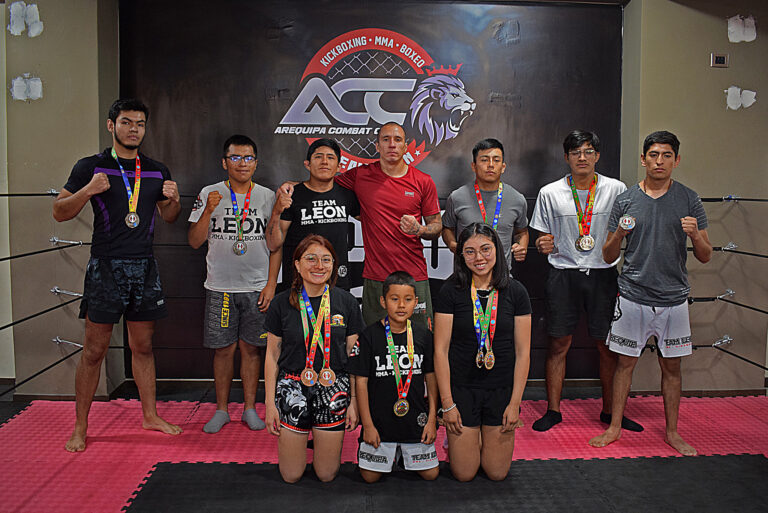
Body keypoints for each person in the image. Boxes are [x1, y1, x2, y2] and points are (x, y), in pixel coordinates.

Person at [53, 98, 183, 452]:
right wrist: (87, 190)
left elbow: (169, 217)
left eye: (139, 123)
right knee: (94, 350)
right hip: (106, 266)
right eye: (126, 122)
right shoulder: (91, 167)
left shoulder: (156, 170)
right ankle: (80, 427)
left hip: (144, 265)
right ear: (112, 126)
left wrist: (172, 201)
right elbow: (59, 212)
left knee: (143, 345)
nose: (133, 129)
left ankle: (150, 415)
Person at [589, 131, 712, 456]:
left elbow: (705, 254)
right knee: (624, 365)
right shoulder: (627, 199)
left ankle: (672, 432)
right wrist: (618, 233)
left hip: (673, 298)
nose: (660, 161)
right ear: (643, 159)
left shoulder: (689, 199)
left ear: (676, 160)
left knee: (672, 368)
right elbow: (606, 255)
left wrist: (695, 236)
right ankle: (614, 427)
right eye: (654, 155)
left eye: (667, 155)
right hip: (632, 296)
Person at [529, 130, 642, 433]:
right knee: (558, 344)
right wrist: (542, 243)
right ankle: (553, 410)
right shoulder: (549, 192)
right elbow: (541, 235)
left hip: (603, 274)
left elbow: (628, 227)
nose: (582, 157)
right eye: (576, 152)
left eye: (588, 151)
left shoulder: (616, 189)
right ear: (566, 157)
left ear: (597, 156)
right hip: (562, 273)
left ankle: (610, 411)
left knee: (607, 346)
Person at [188, 135, 280, 433]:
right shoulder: (209, 192)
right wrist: (207, 211)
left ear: (256, 162)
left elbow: (276, 245)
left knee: (252, 349)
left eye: (249, 157)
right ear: (224, 161)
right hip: (220, 287)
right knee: (223, 350)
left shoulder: (267, 196)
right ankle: (222, 409)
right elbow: (194, 241)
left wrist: (270, 285)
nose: (243, 163)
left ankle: (251, 408)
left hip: (256, 287)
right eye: (236, 158)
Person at [433, 222, 531, 481]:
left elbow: (523, 353)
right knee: (464, 474)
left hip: (501, 390)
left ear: (497, 251)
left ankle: (477, 439)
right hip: (462, 390)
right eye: (470, 252)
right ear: (461, 255)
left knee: (496, 473)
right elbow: (440, 351)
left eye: (486, 249)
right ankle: (462, 440)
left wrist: (515, 404)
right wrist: (448, 404)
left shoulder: (516, 291)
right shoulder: (450, 291)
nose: (479, 258)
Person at [264, 234, 364, 482]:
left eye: (326, 260)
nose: (319, 266)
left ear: (333, 265)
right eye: (311, 259)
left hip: (334, 385)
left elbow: (354, 357)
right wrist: (269, 404)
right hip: (292, 385)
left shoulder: (347, 302)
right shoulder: (280, 303)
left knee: (327, 474)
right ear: (297, 264)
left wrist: (354, 402)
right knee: (291, 475)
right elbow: (271, 355)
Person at [333, 122, 442, 327]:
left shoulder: (423, 181)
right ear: (377, 146)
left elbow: (437, 226)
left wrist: (420, 229)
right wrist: (293, 186)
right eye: (386, 139)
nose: (392, 144)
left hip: (413, 275)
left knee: (420, 342)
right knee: (374, 344)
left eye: (397, 140)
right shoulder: (360, 175)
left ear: (405, 146)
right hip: (376, 276)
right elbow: (323, 183)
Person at [347, 271, 439, 482]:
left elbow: (431, 379)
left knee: (431, 474)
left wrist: (432, 419)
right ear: (383, 300)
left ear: (416, 302)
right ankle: (392, 452)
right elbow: (361, 382)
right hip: (380, 424)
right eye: (394, 299)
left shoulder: (424, 336)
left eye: (407, 300)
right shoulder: (369, 336)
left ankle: (401, 454)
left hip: (415, 421)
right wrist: (367, 426)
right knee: (370, 477)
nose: (401, 305)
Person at [266, 138, 359, 291]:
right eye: (318, 157)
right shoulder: (292, 195)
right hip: (298, 284)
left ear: (339, 167)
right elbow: (273, 244)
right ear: (307, 165)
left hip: (336, 283)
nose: (324, 162)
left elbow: (375, 220)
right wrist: (276, 211)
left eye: (330, 158)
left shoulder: (347, 196)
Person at [442, 138, 529, 270]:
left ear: (503, 167)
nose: (490, 165)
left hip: (502, 277)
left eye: (496, 160)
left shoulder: (517, 199)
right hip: (465, 276)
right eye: (484, 160)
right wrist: (453, 245)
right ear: (474, 166)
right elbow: (447, 228)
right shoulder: (457, 197)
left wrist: (522, 245)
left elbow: (522, 231)